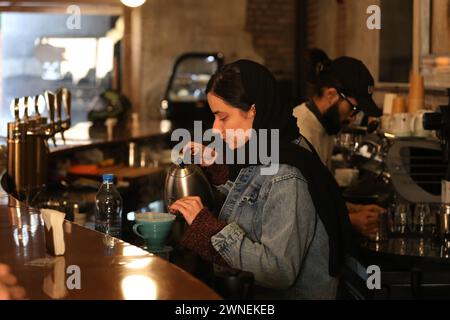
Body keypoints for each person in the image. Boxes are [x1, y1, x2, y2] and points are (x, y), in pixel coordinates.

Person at [169, 60, 353, 300]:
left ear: (253, 110)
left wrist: (209, 229)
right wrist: (217, 168)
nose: (215, 129)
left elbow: (277, 271)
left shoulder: (287, 175)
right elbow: (256, 202)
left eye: (222, 117)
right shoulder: (276, 146)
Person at [293, 49, 385, 238]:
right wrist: (351, 221)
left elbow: (322, 196)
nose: (353, 118)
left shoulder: (324, 128)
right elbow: (297, 206)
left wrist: (355, 208)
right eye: (353, 109)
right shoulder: (300, 131)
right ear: (331, 95)